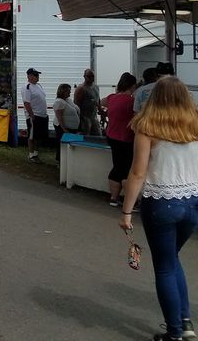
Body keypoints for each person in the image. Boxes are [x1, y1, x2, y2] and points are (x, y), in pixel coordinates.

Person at [119, 76, 198, 341]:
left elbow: (138, 173)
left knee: (164, 266)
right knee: (172, 259)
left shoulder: (147, 126)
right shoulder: (195, 124)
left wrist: (126, 212)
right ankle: (185, 323)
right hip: (192, 201)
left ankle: (175, 332)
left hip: (161, 202)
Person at [102, 72, 137, 208]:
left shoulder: (111, 98)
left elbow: (100, 102)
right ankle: (130, 202)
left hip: (111, 136)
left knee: (117, 166)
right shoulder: (132, 101)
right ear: (132, 86)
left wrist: (104, 112)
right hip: (126, 138)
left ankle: (113, 198)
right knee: (127, 169)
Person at [22, 67, 48, 164]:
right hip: (34, 115)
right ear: (29, 76)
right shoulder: (27, 87)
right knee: (32, 136)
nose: (37, 77)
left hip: (42, 115)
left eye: (37, 75)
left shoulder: (38, 86)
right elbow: (26, 102)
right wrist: (31, 115)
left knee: (39, 137)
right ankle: (31, 155)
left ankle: (36, 154)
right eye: (35, 75)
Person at [53, 83, 80, 162]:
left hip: (72, 127)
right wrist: (64, 129)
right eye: (68, 91)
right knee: (62, 144)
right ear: (62, 91)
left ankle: (69, 159)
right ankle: (59, 160)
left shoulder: (68, 100)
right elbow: (59, 116)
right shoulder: (59, 102)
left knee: (70, 144)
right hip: (63, 127)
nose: (69, 93)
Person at [74, 68, 102, 135]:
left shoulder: (96, 87)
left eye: (92, 76)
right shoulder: (81, 88)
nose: (91, 78)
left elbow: (98, 100)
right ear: (84, 77)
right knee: (86, 136)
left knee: (98, 135)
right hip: (84, 117)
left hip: (94, 116)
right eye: (89, 76)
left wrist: (101, 112)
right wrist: (79, 119)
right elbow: (76, 105)